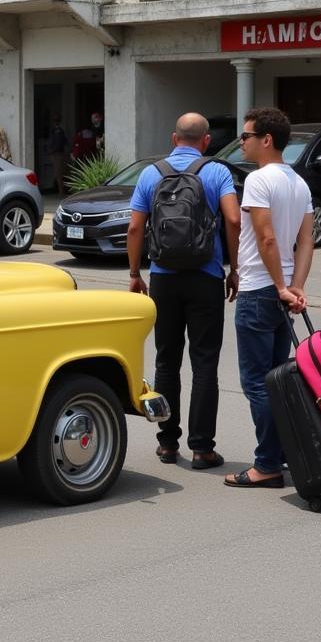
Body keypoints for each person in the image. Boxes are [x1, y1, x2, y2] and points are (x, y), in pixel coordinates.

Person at [127, 113, 241, 471]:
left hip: (163, 277)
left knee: (166, 360)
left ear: (174, 137)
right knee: (204, 363)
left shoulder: (151, 173)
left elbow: (134, 227)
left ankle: (167, 444)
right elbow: (234, 220)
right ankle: (202, 449)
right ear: (206, 141)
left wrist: (134, 273)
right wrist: (234, 268)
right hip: (205, 276)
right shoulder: (217, 171)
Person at [225, 106, 314, 488]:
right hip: (278, 292)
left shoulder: (260, 180)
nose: (241, 142)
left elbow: (267, 238)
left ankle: (266, 465)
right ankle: (280, 454)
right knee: (277, 379)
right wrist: (296, 286)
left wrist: (280, 285)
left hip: (260, 291)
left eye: (246, 136)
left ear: (266, 140)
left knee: (258, 383)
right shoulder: (300, 183)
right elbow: (307, 241)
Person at [47, 115, 68, 193]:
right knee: (58, 173)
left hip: (58, 154)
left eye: (56, 120)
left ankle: (61, 190)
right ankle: (61, 189)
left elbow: (58, 143)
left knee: (58, 173)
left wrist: (52, 152)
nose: (55, 122)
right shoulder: (55, 130)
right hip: (57, 153)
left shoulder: (58, 131)